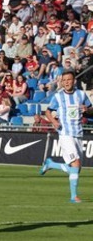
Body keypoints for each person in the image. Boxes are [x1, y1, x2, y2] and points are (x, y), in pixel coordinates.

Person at [39, 70, 92, 203]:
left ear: (74, 81)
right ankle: (73, 196)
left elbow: (91, 109)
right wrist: (54, 121)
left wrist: (87, 110)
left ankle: (51, 164)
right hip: (65, 134)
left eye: (69, 79)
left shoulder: (81, 94)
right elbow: (48, 111)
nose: (67, 82)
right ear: (61, 82)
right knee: (76, 164)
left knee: (76, 169)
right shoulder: (58, 96)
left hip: (78, 134)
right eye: (64, 80)